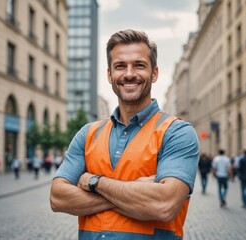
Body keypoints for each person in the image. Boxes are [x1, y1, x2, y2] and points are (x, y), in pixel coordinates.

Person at [50, 29, 199, 240]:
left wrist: (94, 182)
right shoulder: (88, 133)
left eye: (139, 65)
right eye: (120, 66)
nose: (129, 74)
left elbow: (164, 205)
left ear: (154, 73)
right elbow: (58, 198)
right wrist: (136, 193)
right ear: (110, 74)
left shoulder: (177, 132)